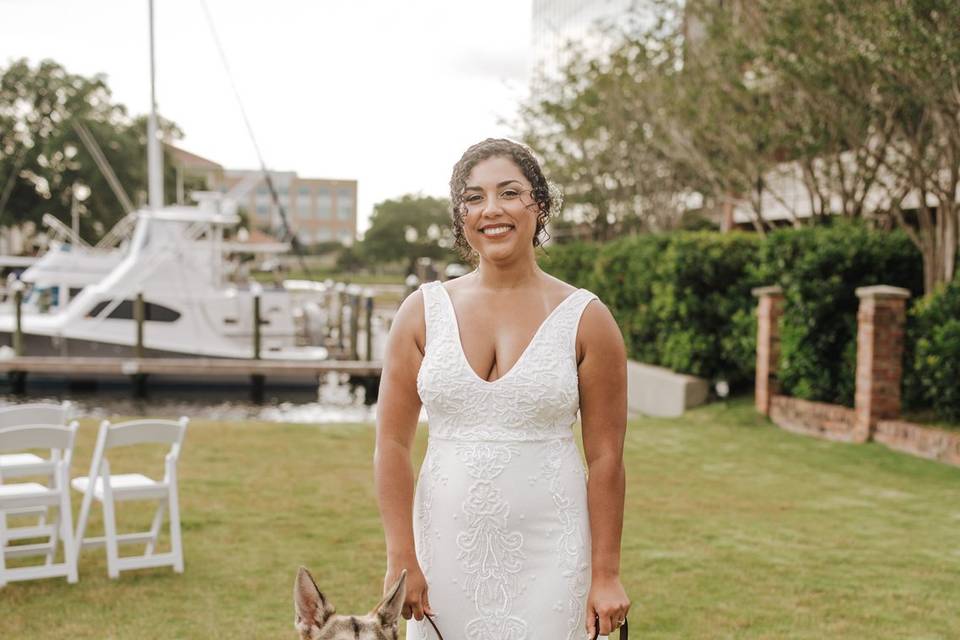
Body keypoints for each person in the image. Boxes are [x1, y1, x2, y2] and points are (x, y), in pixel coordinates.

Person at [374, 138, 629, 639]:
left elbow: (606, 459)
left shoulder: (588, 319)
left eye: (510, 193)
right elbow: (392, 443)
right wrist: (402, 556)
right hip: (443, 550)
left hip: (554, 553)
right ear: (459, 215)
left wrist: (606, 574)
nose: (491, 210)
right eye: (473, 198)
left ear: (540, 204)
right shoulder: (420, 313)